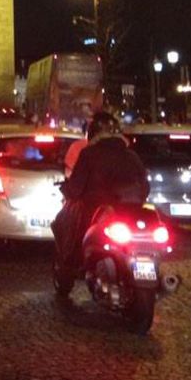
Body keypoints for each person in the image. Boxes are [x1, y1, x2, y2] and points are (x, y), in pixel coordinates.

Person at [52, 111, 150, 287]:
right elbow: (145, 186)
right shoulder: (132, 156)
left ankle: (72, 264)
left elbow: (75, 188)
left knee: (64, 221)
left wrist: (65, 189)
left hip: (95, 212)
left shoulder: (89, 154)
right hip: (131, 212)